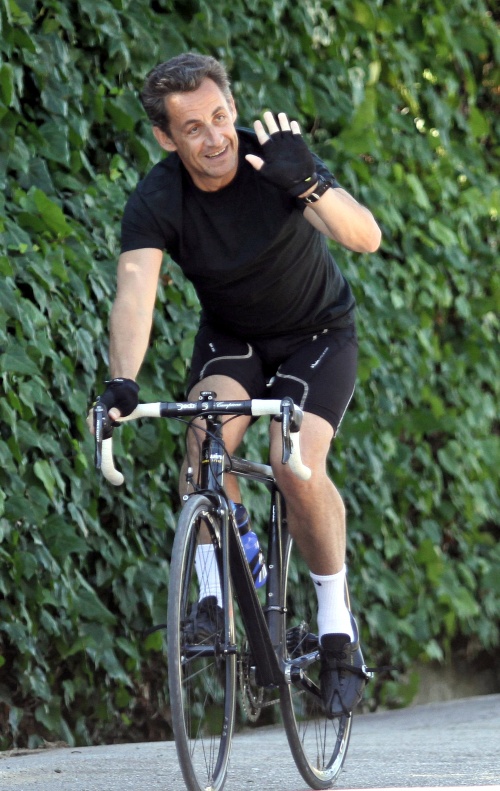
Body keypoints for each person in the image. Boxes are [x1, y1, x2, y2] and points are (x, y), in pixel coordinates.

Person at [92, 52, 382, 718]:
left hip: (318, 335)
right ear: (167, 137)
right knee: (204, 441)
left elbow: (364, 237)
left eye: (220, 117)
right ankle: (212, 597)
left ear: (233, 109)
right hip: (236, 340)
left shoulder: (270, 160)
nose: (215, 137)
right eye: (193, 127)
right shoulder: (159, 197)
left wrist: (309, 182)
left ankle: (336, 628)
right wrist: (122, 380)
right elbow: (135, 291)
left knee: (293, 460)